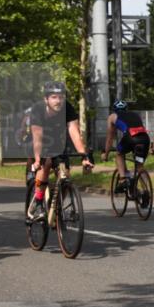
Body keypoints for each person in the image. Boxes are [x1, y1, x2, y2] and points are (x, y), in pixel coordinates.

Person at [28, 81, 94, 217]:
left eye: (61, 97)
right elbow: (37, 138)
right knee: (45, 164)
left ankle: (56, 205)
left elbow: (74, 132)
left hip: (58, 144)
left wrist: (84, 156)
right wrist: (37, 159)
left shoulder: (67, 108)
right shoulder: (38, 110)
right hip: (39, 142)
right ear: (46, 99)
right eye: (54, 97)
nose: (58, 101)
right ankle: (38, 201)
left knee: (65, 175)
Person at [102, 99, 151, 198]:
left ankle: (123, 179)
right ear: (126, 108)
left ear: (114, 109)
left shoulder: (112, 116)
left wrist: (105, 154)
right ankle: (146, 192)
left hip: (130, 138)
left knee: (119, 154)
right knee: (140, 166)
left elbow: (110, 138)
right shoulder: (135, 114)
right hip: (144, 139)